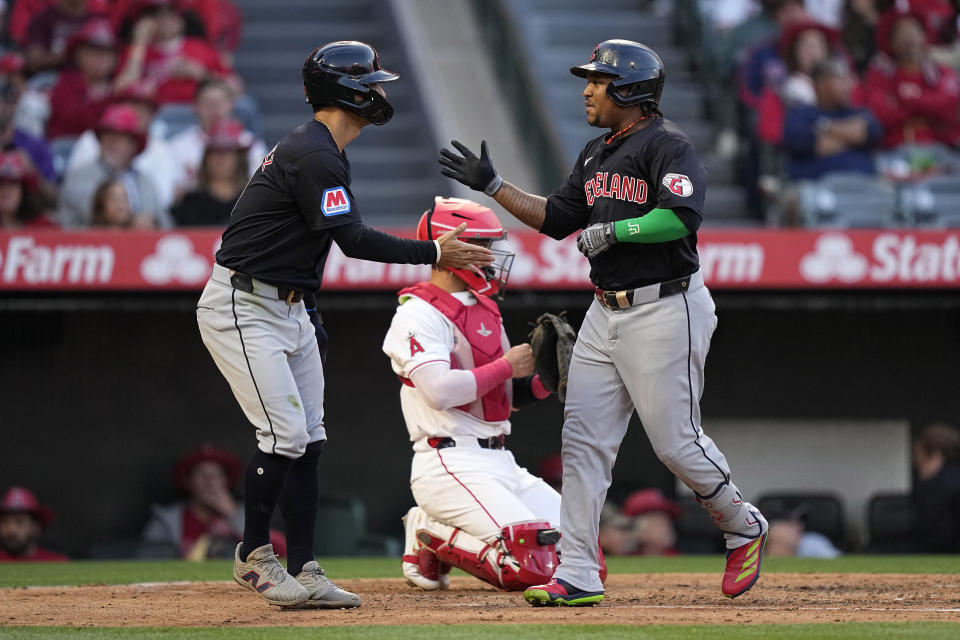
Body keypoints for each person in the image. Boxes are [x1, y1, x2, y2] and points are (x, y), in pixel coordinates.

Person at [439, 39, 768, 606]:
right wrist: (494, 186)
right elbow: (558, 218)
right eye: (590, 79)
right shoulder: (595, 152)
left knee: (674, 443)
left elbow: (680, 217)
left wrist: (617, 231)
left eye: (599, 80)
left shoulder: (668, 145)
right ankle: (578, 572)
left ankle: (741, 524)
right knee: (583, 443)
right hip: (604, 310)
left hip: (667, 305)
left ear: (631, 90)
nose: (588, 89)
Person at [196, 41, 493, 610]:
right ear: (347, 90)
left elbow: (305, 245)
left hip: (287, 305)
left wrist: (305, 308)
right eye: (372, 83)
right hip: (243, 304)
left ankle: (305, 566)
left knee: (309, 440)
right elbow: (352, 241)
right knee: (283, 436)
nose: (380, 92)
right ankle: (253, 555)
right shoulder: (316, 154)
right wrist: (434, 252)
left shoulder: (325, 149)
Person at [382, 197, 604, 592]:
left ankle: (441, 535)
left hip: (501, 460)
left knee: (585, 562)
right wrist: (507, 365)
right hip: (448, 461)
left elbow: (502, 396)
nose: (490, 255)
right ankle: (427, 532)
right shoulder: (417, 313)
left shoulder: (483, 307)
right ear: (449, 246)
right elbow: (438, 391)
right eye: (481, 245)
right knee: (530, 569)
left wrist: (544, 380)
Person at [142, 445, 286, 560]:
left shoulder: (244, 514)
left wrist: (233, 515)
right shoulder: (166, 519)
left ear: (226, 481)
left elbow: (278, 552)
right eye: (202, 474)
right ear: (188, 481)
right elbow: (147, 560)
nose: (209, 481)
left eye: (216, 475)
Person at [58, 103, 169, 228]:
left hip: (140, 246)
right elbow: (96, 211)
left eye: (121, 137)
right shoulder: (79, 176)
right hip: (89, 246)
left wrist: (153, 222)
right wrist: (134, 221)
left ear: (134, 145)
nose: (113, 142)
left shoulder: (145, 181)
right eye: (107, 135)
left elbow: (165, 223)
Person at [863, 7, 960, 148]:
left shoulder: (942, 72)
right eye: (900, 32)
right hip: (894, 152)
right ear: (890, 42)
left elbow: (948, 108)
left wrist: (908, 98)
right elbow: (880, 115)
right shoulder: (879, 76)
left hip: (941, 148)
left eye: (914, 29)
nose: (908, 35)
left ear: (924, 35)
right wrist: (927, 110)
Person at [113, 0, 236, 105]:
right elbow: (119, 90)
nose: (163, 20)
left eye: (169, 13)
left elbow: (235, 87)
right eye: (154, 14)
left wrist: (202, 74)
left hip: (196, 112)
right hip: (152, 115)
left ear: (180, 20)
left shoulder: (199, 48)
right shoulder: (136, 51)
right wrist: (139, 42)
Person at [781, 57, 883, 180]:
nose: (848, 85)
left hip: (864, 187)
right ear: (820, 84)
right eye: (840, 79)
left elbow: (873, 132)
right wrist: (852, 139)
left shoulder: (860, 112)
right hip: (816, 188)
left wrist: (824, 126)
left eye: (849, 78)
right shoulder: (800, 114)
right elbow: (801, 141)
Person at [167, 78, 266, 195]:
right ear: (195, 107)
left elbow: (260, 190)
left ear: (231, 105)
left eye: (220, 102)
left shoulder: (251, 144)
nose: (214, 109)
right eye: (207, 103)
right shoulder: (176, 147)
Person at [46, 17, 118, 140]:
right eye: (95, 51)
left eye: (108, 52)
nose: (102, 58)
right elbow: (71, 120)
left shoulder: (116, 86)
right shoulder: (66, 82)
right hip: (64, 150)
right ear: (79, 54)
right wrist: (105, 99)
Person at [171, 119, 250, 226]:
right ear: (206, 159)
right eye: (215, 151)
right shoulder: (189, 203)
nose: (220, 158)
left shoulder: (253, 203)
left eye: (227, 152)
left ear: (239, 159)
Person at [22, 0, 107, 74]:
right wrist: (70, 54)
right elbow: (34, 60)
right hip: (50, 77)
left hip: (90, 80)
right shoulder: (42, 18)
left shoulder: (98, 20)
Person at [912, 423, 960, 552]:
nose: (916, 464)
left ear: (935, 455)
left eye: (919, 457)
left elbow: (938, 538)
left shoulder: (936, 487)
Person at [0, 486, 68, 562]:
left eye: (19, 522)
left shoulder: (56, 562)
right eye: (4, 522)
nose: (10, 529)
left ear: (36, 526)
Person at [0, 150, 55, 229]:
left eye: (13, 183)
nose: (6, 190)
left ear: (23, 190)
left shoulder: (43, 226)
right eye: (1, 184)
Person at [621, 488, 682, 557]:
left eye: (667, 519)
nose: (667, 526)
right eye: (658, 521)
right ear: (637, 530)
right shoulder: (626, 559)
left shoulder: (678, 559)